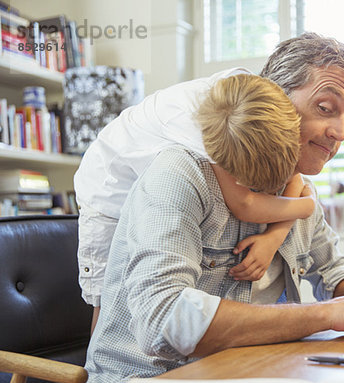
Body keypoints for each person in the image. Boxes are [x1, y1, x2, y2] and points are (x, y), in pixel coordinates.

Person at [82, 32, 344, 383]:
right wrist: (331, 313)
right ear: (276, 99)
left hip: (246, 377)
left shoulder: (298, 186)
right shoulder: (181, 171)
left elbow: (333, 270)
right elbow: (165, 319)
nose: (340, 133)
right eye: (325, 108)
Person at [75, 70, 315, 333]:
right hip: (107, 193)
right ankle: (96, 368)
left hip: (151, 187)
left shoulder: (256, 102)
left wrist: (275, 235)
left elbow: (294, 174)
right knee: (106, 302)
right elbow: (244, 205)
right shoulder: (206, 136)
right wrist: (307, 206)